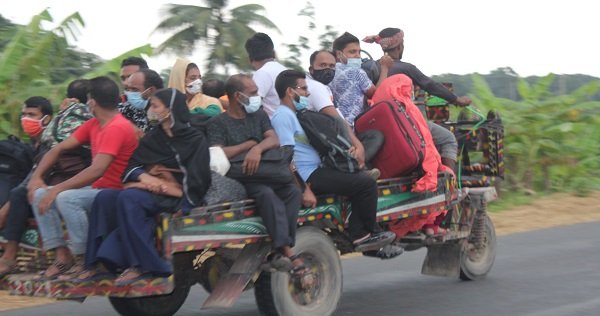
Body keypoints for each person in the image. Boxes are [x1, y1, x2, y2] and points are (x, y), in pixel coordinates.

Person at [74, 88, 214, 284]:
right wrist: (146, 179)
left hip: (180, 196)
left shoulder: (194, 139)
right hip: (152, 189)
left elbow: (198, 179)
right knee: (104, 198)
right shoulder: (154, 137)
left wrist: (164, 182)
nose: (151, 110)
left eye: (156, 106)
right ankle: (98, 263)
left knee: (129, 198)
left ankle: (142, 265)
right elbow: (131, 166)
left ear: (171, 109)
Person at [27, 77, 138, 279]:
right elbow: (58, 149)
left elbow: (98, 170)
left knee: (66, 198)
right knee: (38, 193)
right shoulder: (95, 124)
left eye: (88, 100)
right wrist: (36, 177)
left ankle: (86, 259)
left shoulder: (117, 127)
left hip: (116, 192)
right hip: (97, 189)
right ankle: (62, 256)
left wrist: (57, 188)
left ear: (92, 102)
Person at [271, 70, 394, 253]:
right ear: (290, 92)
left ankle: (364, 230)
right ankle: (362, 233)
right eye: (304, 89)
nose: (308, 93)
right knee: (366, 184)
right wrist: (303, 189)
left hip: (315, 169)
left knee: (359, 175)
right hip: (308, 175)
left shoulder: (295, 114)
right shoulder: (283, 116)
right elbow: (285, 157)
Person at [207, 74, 303, 272]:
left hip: (266, 170)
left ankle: (283, 246)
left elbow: (273, 139)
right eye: (253, 93)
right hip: (243, 176)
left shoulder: (258, 114)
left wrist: (257, 150)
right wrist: (249, 144)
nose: (257, 96)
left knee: (293, 192)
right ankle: (286, 251)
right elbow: (218, 153)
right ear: (237, 96)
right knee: (266, 194)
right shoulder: (218, 122)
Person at [0, 82, 94, 278]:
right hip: (55, 182)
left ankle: (81, 257)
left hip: (78, 183)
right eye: (24, 115)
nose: (26, 119)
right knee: (31, 193)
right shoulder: (43, 138)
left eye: (31, 115)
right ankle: (58, 255)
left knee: (32, 194)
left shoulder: (73, 124)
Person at [362, 27, 471, 171]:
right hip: (405, 121)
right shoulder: (406, 68)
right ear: (400, 46)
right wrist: (457, 100)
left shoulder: (373, 67)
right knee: (448, 138)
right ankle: (449, 184)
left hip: (378, 123)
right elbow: (431, 85)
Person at [306, 50, 382, 170]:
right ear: (311, 69)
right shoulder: (316, 87)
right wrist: (358, 145)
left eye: (331, 66)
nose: (328, 70)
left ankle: (357, 165)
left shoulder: (323, 86)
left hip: (333, 134)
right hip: (328, 139)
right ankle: (354, 167)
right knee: (373, 138)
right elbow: (336, 119)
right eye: (323, 65)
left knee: (373, 135)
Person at [329, 32, 392, 128]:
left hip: (334, 126)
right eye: (352, 52)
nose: (358, 56)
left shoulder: (329, 72)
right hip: (354, 127)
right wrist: (385, 68)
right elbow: (376, 94)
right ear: (339, 54)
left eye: (359, 52)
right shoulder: (356, 72)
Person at [244, 33, 286, 118]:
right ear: (273, 53)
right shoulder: (284, 69)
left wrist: (219, 101)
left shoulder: (262, 73)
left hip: (273, 126)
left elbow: (251, 106)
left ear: (250, 58)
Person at [117, 57, 151, 132]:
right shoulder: (115, 108)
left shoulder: (162, 104)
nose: (126, 83)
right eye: (123, 78)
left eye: (130, 77)